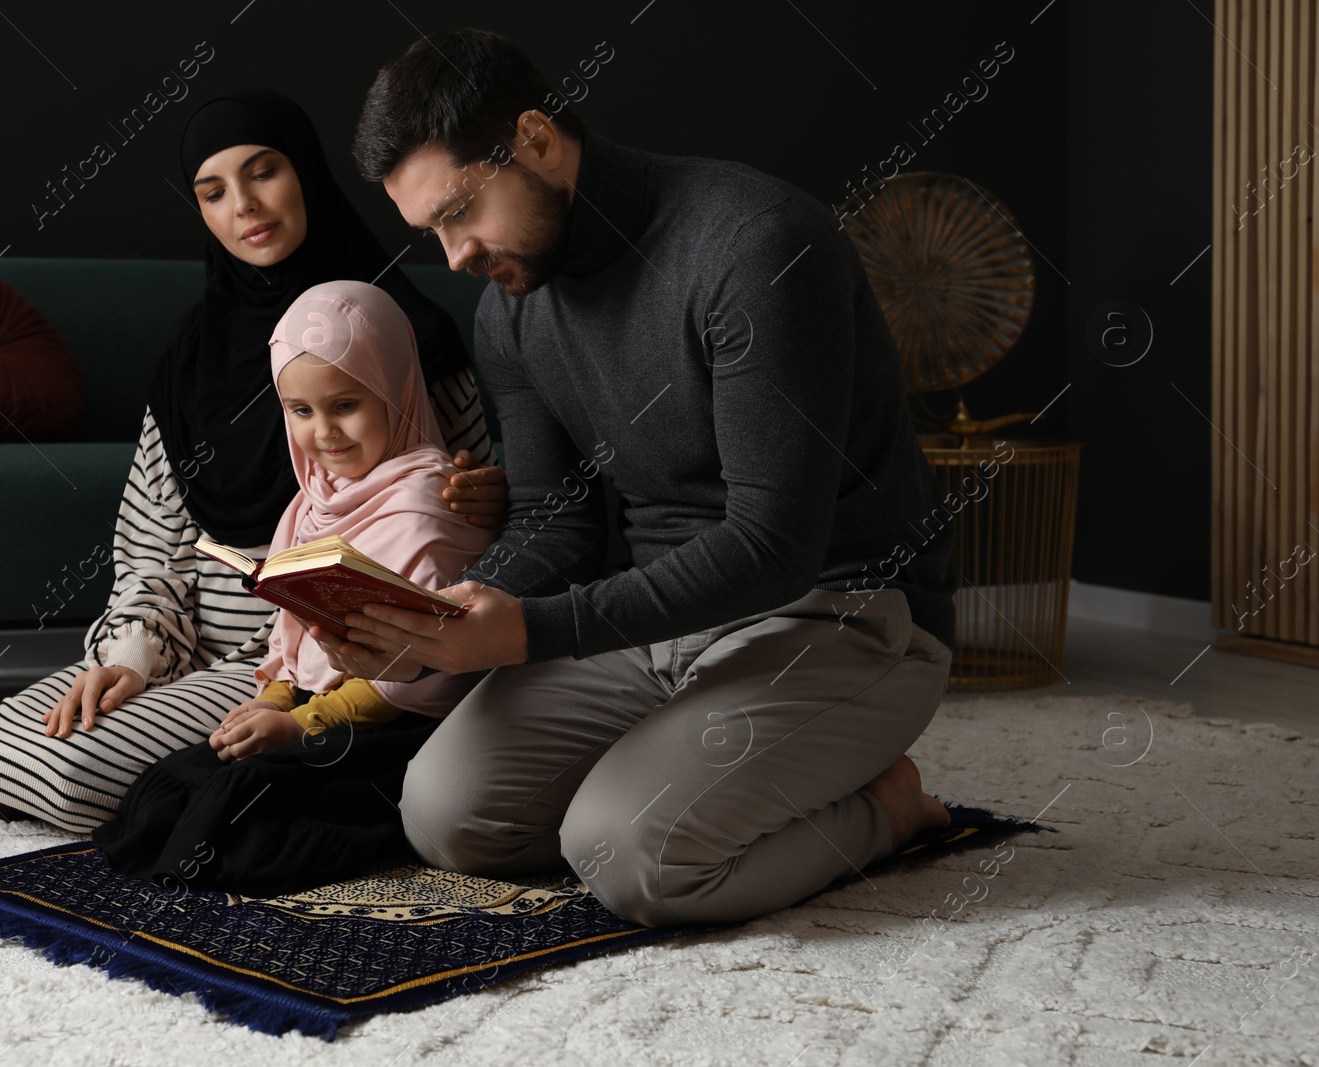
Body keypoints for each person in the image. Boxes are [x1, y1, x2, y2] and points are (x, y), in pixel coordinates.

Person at [309, 29, 960, 928]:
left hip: (842, 610)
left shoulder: (755, 246)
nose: (453, 254)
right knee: (445, 816)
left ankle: (886, 809)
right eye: (431, 231)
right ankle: (676, 777)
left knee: (632, 858)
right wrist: (433, 623)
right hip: (659, 620)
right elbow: (554, 521)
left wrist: (531, 631)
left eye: (461, 212)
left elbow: (776, 545)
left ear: (535, 140)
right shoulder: (511, 308)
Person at [0, 89, 506, 835]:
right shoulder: (187, 358)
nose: (244, 205)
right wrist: (133, 660)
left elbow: (481, 517)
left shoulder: (409, 335)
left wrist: (490, 497)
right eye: (213, 192)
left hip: (299, 664)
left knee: (68, 774)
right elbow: (150, 548)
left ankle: (318, 757)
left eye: (264, 172)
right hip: (181, 636)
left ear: (306, 172)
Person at [92, 281, 494, 895]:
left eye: (346, 405)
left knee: (245, 807)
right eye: (301, 411)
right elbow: (294, 634)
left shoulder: (426, 503)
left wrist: (306, 723)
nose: (324, 433)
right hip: (312, 706)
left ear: (396, 391)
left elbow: (419, 673)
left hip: (392, 721)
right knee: (167, 786)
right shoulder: (309, 505)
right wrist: (274, 702)